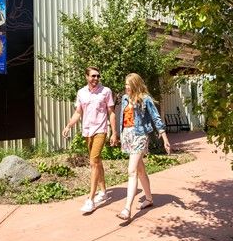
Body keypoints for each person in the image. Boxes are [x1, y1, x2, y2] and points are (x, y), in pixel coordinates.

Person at [115, 73, 171, 221]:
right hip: (127, 135)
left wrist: (164, 137)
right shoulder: (125, 98)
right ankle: (149, 198)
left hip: (140, 136)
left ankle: (127, 209)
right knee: (140, 169)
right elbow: (124, 120)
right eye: (125, 84)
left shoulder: (145, 99)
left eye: (129, 84)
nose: (126, 87)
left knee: (131, 170)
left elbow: (156, 117)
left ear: (135, 84)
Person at [62, 67, 118, 213]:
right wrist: (69, 125)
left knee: (93, 162)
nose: (96, 79)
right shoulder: (81, 92)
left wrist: (114, 132)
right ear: (86, 76)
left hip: (101, 130)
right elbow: (78, 112)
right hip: (87, 131)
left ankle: (91, 200)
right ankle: (104, 192)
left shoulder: (106, 91)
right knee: (98, 162)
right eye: (93, 76)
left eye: (98, 76)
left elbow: (111, 113)